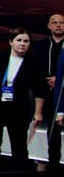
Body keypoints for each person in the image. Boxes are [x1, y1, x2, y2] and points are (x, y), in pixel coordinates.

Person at [0, 27, 47, 163]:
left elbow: (40, 89)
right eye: (19, 40)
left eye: (26, 41)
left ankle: (19, 170)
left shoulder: (33, 63)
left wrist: (38, 112)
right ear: (11, 42)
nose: (22, 44)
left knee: (19, 145)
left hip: (18, 107)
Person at [32, 13, 64, 168]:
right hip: (48, 95)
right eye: (55, 22)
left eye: (61, 22)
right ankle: (53, 166)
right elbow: (36, 73)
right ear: (49, 26)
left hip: (63, 93)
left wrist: (60, 79)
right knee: (53, 134)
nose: (58, 25)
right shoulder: (41, 46)